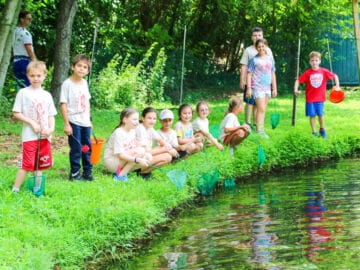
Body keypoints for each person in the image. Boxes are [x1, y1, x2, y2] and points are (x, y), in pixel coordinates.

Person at [12, 61, 57, 193]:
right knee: (27, 163)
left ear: (44, 76)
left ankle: (37, 189)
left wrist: (51, 129)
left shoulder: (47, 95)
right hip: (29, 137)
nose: (35, 78)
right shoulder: (23, 93)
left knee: (40, 164)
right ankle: (15, 188)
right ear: (28, 76)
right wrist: (32, 123)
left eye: (38, 75)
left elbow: (51, 115)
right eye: (32, 76)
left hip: (45, 136)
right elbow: (16, 113)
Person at [60, 55, 94, 181]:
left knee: (87, 147)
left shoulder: (85, 83)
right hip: (73, 121)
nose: (81, 69)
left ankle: (87, 171)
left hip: (85, 122)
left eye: (85, 67)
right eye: (79, 66)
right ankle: (74, 173)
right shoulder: (67, 84)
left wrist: (89, 120)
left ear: (88, 71)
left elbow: (87, 102)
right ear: (73, 67)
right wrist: (66, 124)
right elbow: (63, 104)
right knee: (76, 148)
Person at [294, 51, 340, 138]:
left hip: (320, 99)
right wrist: (296, 89)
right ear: (309, 62)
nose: (314, 62)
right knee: (312, 115)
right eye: (312, 60)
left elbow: (335, 76)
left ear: (319, 61)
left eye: (316, 60)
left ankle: (322, 129)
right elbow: (298, 80)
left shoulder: (324, 71)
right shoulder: (307, 73)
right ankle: (314, 132)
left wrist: (337, 86)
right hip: (310, 99)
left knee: (320, 115)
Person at [103, 108, 152, 181]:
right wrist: (137, 159)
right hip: (112, 161)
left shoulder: (132, 131)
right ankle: (120, 176)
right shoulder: (119, 133)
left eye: (137, 119)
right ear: (125, 120)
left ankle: (122, 172)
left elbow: (132, 146)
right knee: (140, 151)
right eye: (134, 119)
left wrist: (143, 145)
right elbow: (121, 155)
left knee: (148, 157)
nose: (137, 122)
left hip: (121, 160)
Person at [240, 27, 274, 128]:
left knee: (258, 104)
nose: (257, 37)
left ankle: (256, 122)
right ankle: (248, 122)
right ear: (251, 37)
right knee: (250, 102)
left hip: (263, 83)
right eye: (255, 35)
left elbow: (271, 67)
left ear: (262, 36)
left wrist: (272, 83)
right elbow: (244, 66)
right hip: (251, 81)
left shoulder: (267, 50)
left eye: (259, 35)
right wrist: (242, 80)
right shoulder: (248, 50)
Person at [246, 39, 277, 139]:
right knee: (261, 108)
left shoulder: (270, 59)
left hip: (267, 88)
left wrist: (274, 88)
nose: (261, 48)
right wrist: (249, 89)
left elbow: (273, 74)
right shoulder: (253, 60)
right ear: (256, 48)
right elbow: (249, 74)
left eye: (263, 46)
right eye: (259, 46)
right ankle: (260, 130)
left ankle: (260, 128)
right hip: (257, 87)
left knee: (263, 109)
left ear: (266, 46)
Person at [135, 107, 174, 178]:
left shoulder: (150, 128)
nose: (152, 121)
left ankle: (144, 172)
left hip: (147, 155)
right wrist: (165, 149)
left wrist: (167, 146)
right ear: (143, 118)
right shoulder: (140, 128)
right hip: (138, 158)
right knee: (166, 154)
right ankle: (139, 170)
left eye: (154, 118)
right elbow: (144, 151)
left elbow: (161, 140)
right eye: (149, 118)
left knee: (168, 156)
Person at [13, 10, 37, 89]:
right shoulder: (26, 33)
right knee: (28, 87)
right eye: (28, 19)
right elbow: (29, 50)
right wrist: (35, 62)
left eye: (31, 19)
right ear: (22, 19)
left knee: (19, 87)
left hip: (16, 62)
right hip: (25, 62)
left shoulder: (13, 31)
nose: (30, 21)